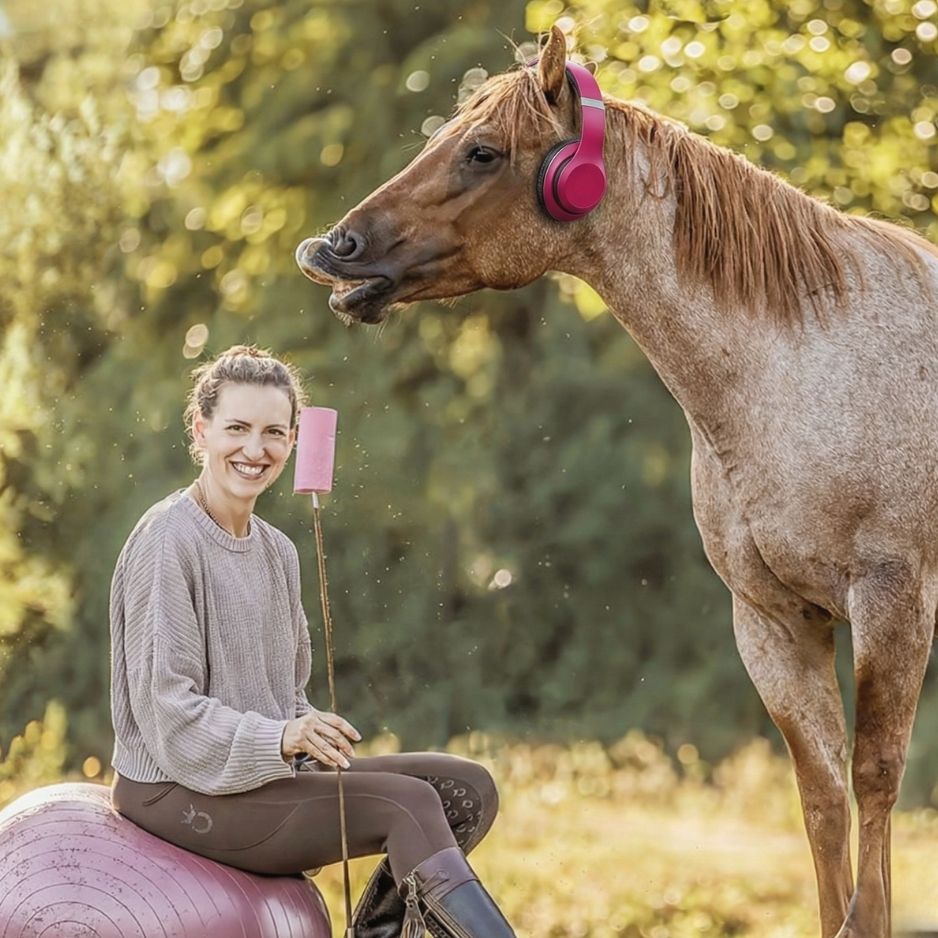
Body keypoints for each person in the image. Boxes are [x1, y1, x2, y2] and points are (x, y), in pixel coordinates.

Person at [108, 344, 517, 938]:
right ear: (201, 429)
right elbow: (168, 716)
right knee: (409, 808)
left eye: (274, 432)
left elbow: (284, 694)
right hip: (176, 790)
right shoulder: (168, 541)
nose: (256, 449)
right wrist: (280, 736)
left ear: (294, 441)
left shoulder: (278, 552)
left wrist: (304, 725)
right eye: (238, 429)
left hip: (260, 777)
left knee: (464, 788)